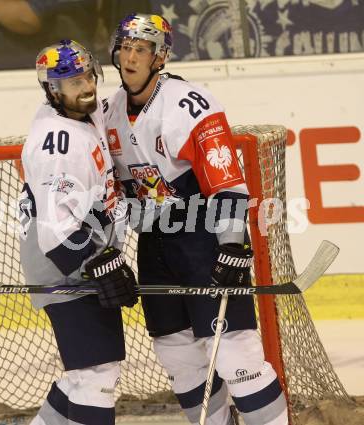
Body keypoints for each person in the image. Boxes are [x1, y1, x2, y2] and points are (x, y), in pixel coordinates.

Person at [104, 13, 288, 425]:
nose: (131, 57)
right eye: (126, 47)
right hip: (154, 244)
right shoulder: (107, 111)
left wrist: (231, 244)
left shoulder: (190, 104)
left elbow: (224, 178)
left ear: (160, 57)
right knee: (178, 357)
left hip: (202, 240)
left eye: (141, 49)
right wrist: (109, 251)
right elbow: (110, 192)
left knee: (237, 357)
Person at [19, 39, 138, 425]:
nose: (86, 86)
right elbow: (56, 232)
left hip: (81, 253)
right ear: (53, 90)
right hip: (63, 260)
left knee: (82, 374)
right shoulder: (58, 145)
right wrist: (98, 263)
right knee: (96, 374)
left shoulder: (82, 112)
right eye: (73, 82)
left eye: (88, 75)